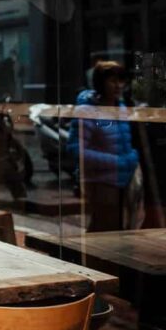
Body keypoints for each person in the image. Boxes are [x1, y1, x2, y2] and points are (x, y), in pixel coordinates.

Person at [67, 60, 142, 232]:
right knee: (104, 228)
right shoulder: (87, 111)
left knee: (118, 228)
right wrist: (116, 162)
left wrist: (132, 157)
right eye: (113, 81)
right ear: (101, 83)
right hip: (101, 182)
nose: (118, 86)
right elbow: (76, 150)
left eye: (121, 81)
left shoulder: (120, 107)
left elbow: (123, 141)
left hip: (124, 180)